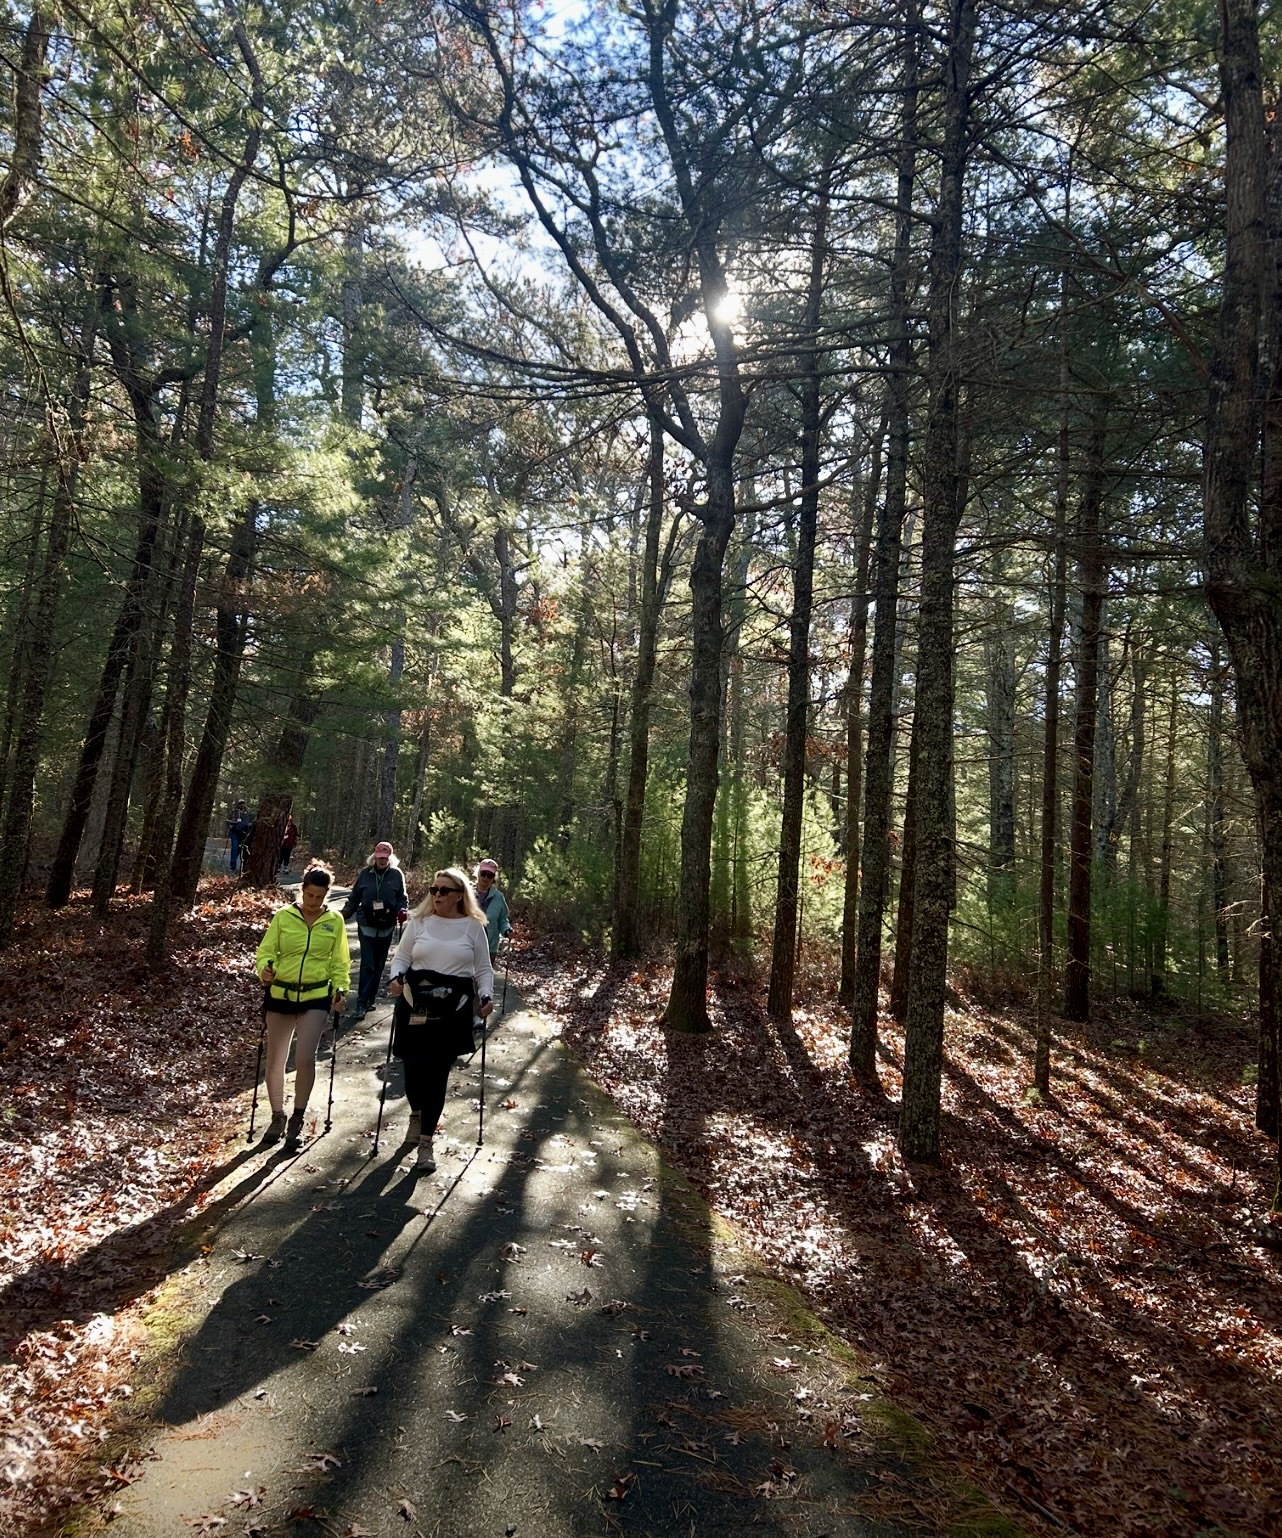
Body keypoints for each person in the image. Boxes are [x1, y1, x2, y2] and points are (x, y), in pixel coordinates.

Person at [388, 867, 493, 1172]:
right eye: (434, 890)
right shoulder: (419, 921)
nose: (437, 895)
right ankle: (416, 1114)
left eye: (444, 891)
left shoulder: (473, 927)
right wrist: (396, 978)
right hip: (415, 1002)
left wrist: (485, 996)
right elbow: (402, 957)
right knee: (413, 1070)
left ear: (460, 895)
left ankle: (425, 1143)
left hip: (454, 1006)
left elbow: (483, 969)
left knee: (437, 1074)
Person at [253, 863, 350, 1149]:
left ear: (326, 896)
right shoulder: (284, 917)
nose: (313, 902)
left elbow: (340, 962)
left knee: (305, 1057)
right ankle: (276, 1116)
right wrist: (264, 970)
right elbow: (266, 952)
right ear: (302, 891)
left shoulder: (334, 921)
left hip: (316, 996)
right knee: (275, 1059)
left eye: (319, 897)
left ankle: (297, 1116)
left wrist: (340, 989)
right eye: (309, 896)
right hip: (281, 994)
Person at [341, 841, 409, 1019]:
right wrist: (345, 913)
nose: (382, 861)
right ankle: (361, 1003)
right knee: (368, 965)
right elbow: (354, 897)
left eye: (385, 858)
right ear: (374, 857)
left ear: (390, 858)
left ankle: (370, 999)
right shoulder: (365, 874)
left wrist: (402, 910)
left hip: (386, 926)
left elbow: (402, 897)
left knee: (379, 965)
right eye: (379, 857)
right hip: (366, 924)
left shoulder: (396, 875)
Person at [474, 858, 511, 961]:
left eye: (490, 875)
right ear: (478, 874)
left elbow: (503, 919)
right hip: (468, 945)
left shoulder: (499, 897)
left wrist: (507, 930)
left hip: (489, 948)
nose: (485, 877)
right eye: (483, 873)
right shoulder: (466, 894)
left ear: (494, 878)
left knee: (485, 976)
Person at [227, 802, 251, 872]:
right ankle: (232, 866)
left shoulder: (248, 813)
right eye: (240, 804)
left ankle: (243, 867)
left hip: (244, 834)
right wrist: (230, 826)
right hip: (235, 833)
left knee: (242, 849)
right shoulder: (234, 812)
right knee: (234, 848)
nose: (241, 805)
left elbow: (250, 823)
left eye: (243, 803)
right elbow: (228, 821)